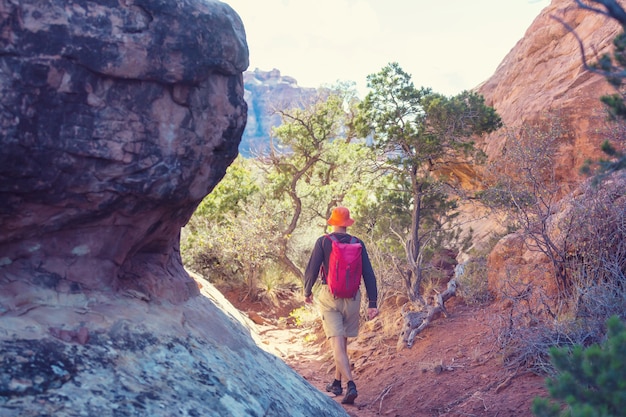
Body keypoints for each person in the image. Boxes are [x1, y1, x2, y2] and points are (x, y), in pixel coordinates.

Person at [304, 206, 379, 405]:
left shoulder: (323, 242)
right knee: (343, 342)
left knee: (337, 343)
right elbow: (368, 274)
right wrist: (373, 302)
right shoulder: (358, 243)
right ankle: (336, 383)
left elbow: (312, 270)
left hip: (330, 296)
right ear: (348, 223)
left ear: (333, 222)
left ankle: (350, 384)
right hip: (353, 298)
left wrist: (307, 291)